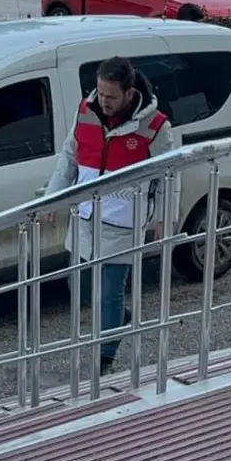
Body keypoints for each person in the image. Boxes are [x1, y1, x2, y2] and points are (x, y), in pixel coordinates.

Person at [44, 57, 177, 376]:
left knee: (109, 292)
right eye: (100, 94)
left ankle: (105, 358)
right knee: (81, 286)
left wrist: (165, 218)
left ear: (130, 93)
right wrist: (52, 197)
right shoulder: (86, 111)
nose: (103, 102)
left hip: (124, 223)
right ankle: (120, 318)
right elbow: (69, 157)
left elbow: (169, 175)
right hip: (85, 217)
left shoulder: (155, 126)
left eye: (111, 96)